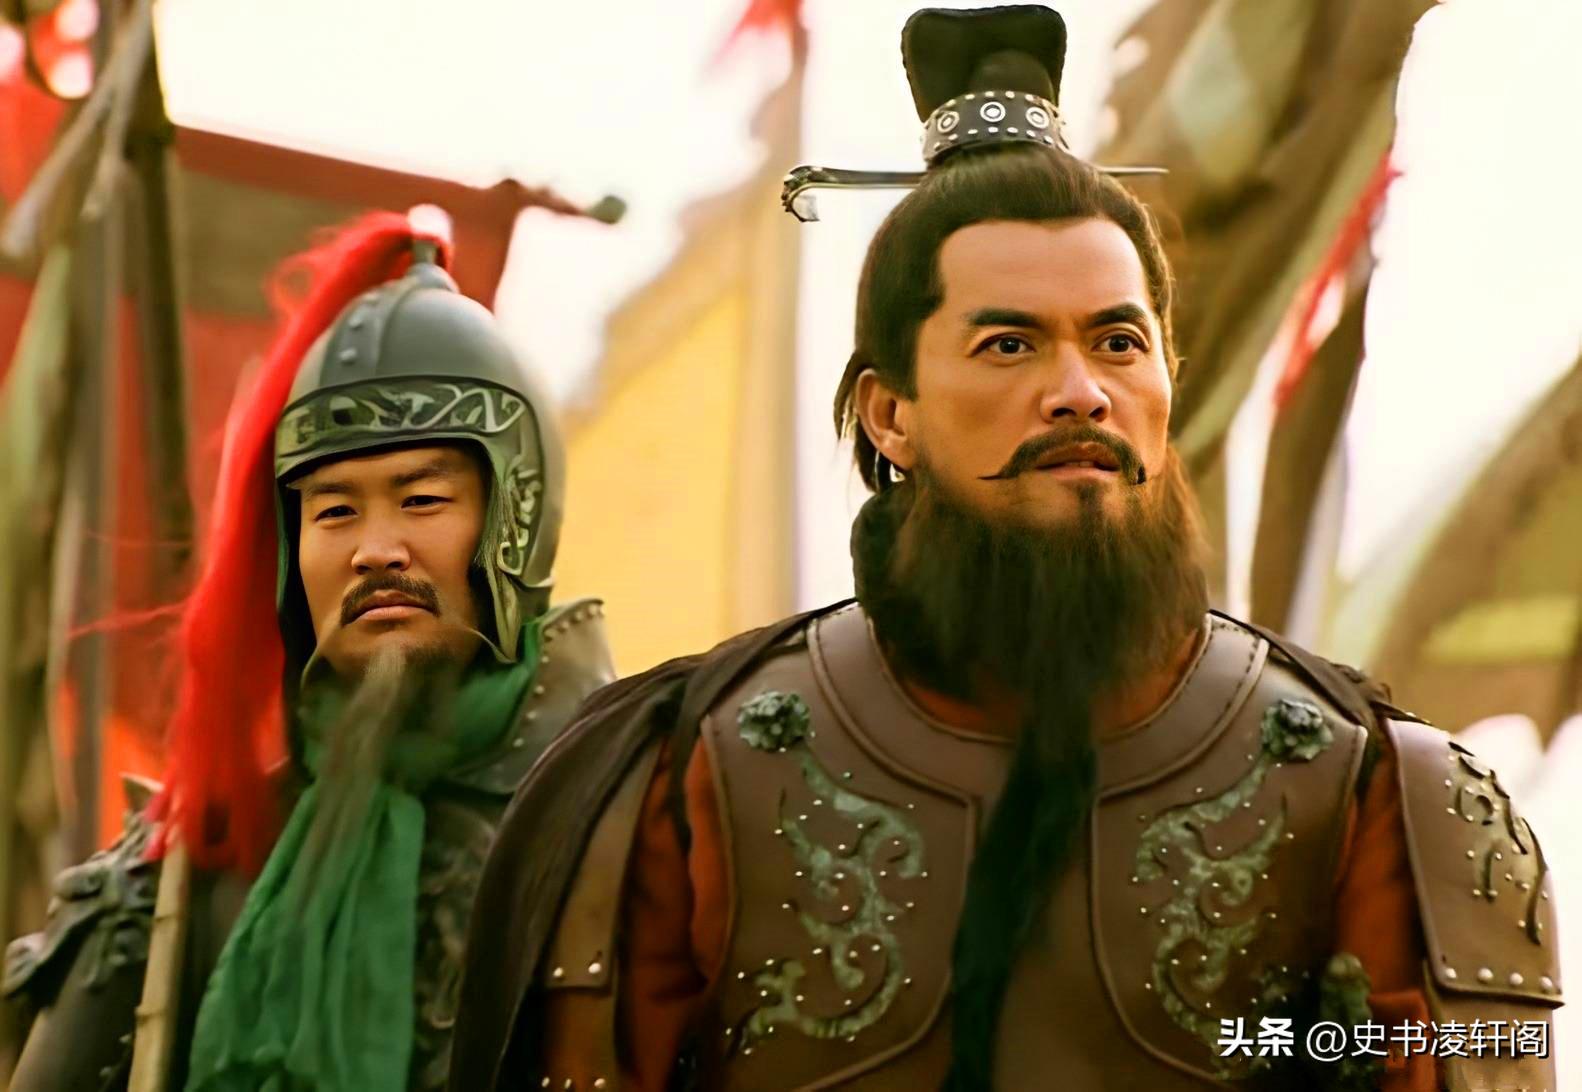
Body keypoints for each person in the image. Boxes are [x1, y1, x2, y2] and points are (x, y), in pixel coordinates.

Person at [450, 7, 1561, 1090]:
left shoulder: (1365, 782)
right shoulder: (684, 769)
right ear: (890, 415)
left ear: (1165, 384)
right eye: (1008, 344)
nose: (1080, 392)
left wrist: (1301, 1054)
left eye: (1117, 341)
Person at [2, 211, 617, 1091]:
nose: (376, 549)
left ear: (513, 514)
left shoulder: (636, 819)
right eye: (335, 511)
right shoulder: (181, 879)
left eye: (421, 500)